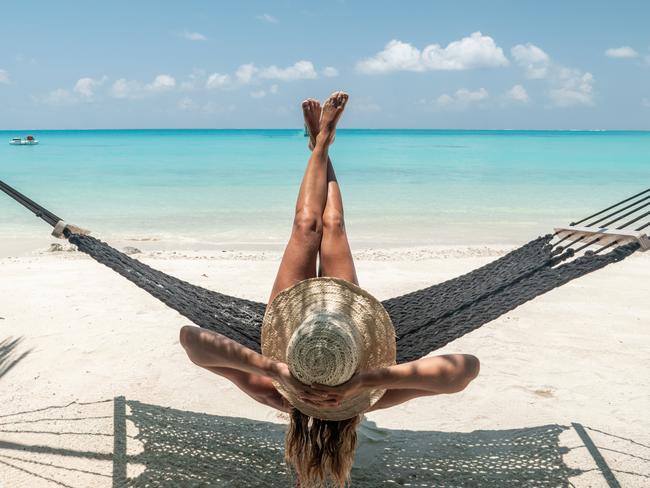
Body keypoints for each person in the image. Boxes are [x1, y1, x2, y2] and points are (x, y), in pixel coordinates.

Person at [179, 91, 480, 487]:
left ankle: (318, 142)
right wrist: (365, 380)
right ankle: (321, 142)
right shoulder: (371, 394)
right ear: (348, 415)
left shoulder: (273, 392)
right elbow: (464, 370)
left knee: (307, 228)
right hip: (342, 325)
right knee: (333, 227)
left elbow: (191, 340)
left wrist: (275, 367)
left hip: (293, 329)